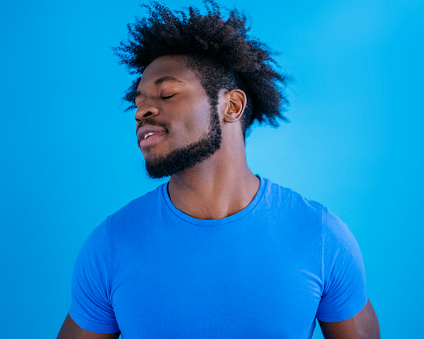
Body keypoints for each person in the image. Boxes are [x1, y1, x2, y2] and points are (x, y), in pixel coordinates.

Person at [57, 1, 380, 338]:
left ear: (231, 105)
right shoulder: (110, 245)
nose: (142, 112)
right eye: (138, 103)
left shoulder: (321, 235)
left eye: (166, 93)